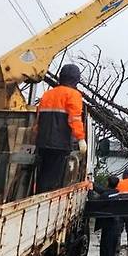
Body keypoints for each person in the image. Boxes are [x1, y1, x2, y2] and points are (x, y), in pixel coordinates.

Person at [34, 63, 86, 193]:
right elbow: (75, 118)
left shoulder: (47, 94)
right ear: (76, 79)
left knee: (42, 176)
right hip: (59, 144)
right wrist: (80, 139)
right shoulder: (74, 95)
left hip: (42, 142)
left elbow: (38, 119)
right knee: (54, 180)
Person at [95, 175, 121, 256]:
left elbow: (95, 202)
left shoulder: (105, 196)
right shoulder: (116, 193)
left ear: (107, 183)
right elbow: (104, 192)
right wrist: (93, 185)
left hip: (108, 227)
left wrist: (90, 191)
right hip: (115, 226)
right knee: (111, 251)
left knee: (106, 252)